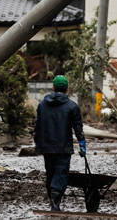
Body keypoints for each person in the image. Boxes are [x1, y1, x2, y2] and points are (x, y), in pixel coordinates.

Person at [34, 75, 86, 211]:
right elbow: (78, 127)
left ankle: (53, 203)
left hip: (46, 147)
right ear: (67, 88)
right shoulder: (72, 106)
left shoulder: (42, 105)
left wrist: (37, 144)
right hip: (63, 148)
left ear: (53, 87)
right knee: (61, 174)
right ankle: (55, 202)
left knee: (50, 174)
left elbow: (37, 126)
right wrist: (82, 143)